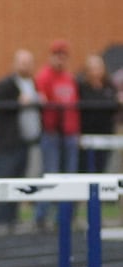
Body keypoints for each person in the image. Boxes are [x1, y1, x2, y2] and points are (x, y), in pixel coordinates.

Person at [0, 48, 43, 233]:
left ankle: (12, 218)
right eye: (22, 62)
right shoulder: (5, 85)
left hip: (25, 141)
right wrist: (17, 102)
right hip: (7, 142)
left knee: (19, 180)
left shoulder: (33, 84)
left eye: (28, 62)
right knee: (3, 178)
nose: (25, 66)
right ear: (15, 63)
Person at [33, 39, 79, 230]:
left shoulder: (69, 78)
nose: (60, 59)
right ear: (51, 56)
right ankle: (41, 217)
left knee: (71, 176)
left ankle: (64, 218)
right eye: (57, 55)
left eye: (63, 55)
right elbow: (42, 99)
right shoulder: (44, 76)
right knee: (50, 175)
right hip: (51, 133)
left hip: (70, 133)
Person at [77, 54, 120, 173]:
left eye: (98, 67)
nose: (96, 71)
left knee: (102, 167)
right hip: (86, 134)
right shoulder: (81, 86)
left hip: (106, 133)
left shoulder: (109, 86)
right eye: (92, 68)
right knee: (86, 168)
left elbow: (114, 105)